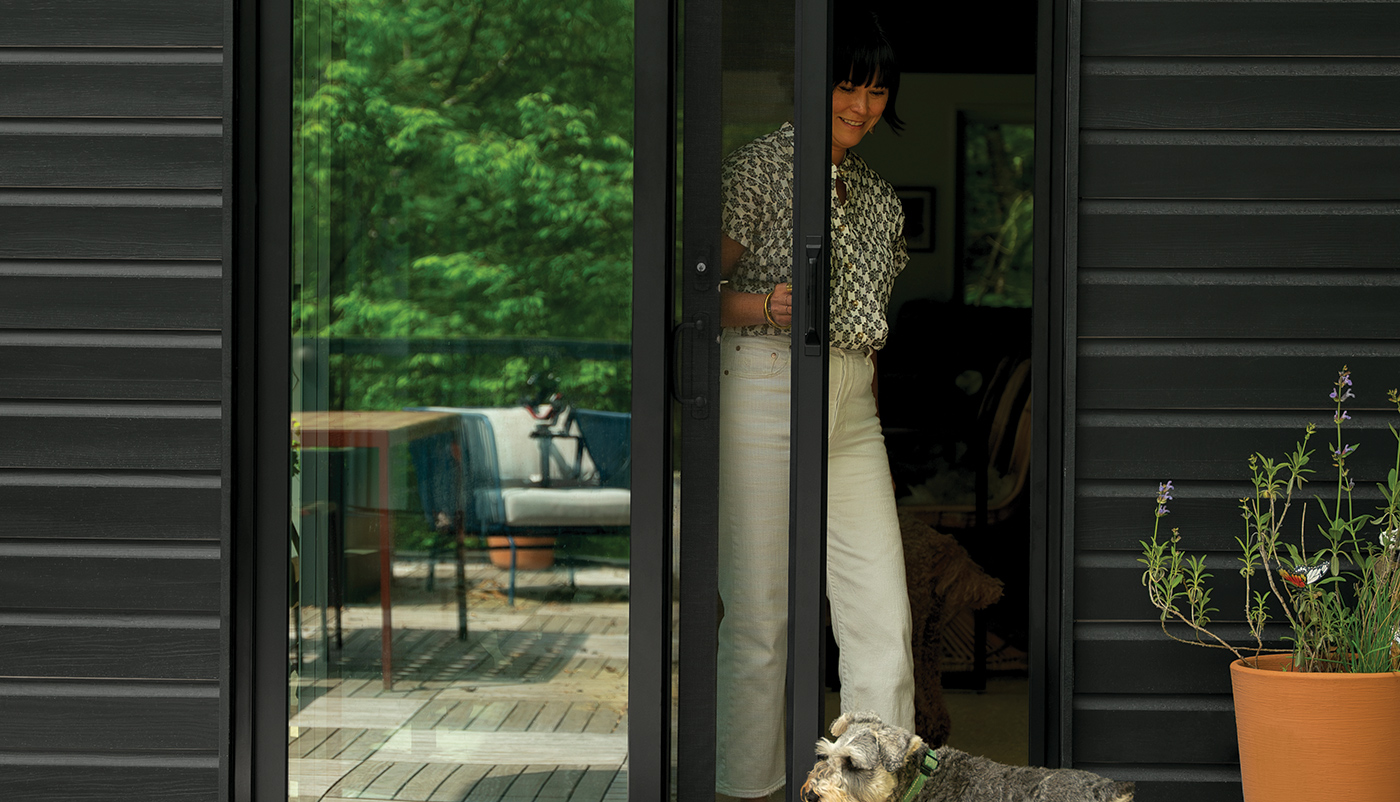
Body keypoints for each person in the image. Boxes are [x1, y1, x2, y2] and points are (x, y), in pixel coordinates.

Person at [715, 9, 915, 801]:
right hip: (764, 377)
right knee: (761, 614)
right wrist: (769, 303)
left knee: (879, 612)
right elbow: (697, 292)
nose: (862, 105)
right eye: (846, 84)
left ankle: (877, 787)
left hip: (852, 396)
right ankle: (744, 787)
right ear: (811, 83)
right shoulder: (761, 168)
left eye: (875, 90)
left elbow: (873, 315)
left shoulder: (876, 193)